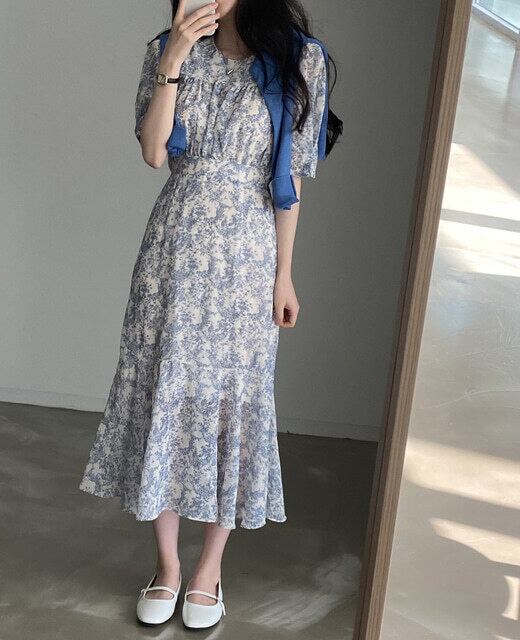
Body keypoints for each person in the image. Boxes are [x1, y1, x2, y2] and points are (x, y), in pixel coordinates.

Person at [79, 0, 341, 629]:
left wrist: (283, 274)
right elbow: (153, 151)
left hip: (247, 258)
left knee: (231, 407)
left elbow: (291, 179)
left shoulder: (298, 59)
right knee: (164, 397)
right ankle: (167, 566)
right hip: (172, 252)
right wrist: (173, 55)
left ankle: (208, 571)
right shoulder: (165, 51)